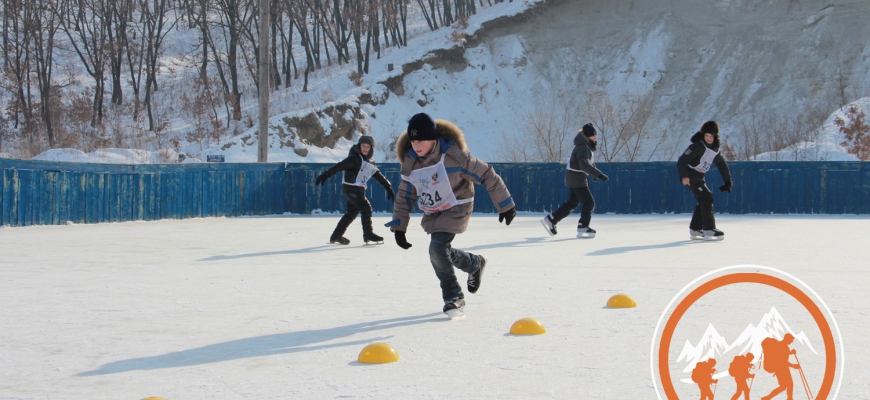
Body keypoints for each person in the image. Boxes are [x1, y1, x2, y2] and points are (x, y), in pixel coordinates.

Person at [386, 113, 516, 318]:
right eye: (413, 141)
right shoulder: (412, 163)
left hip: (457, 207)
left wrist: (505, 205)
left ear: (433, 139)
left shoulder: (454, 157)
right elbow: (404, 196)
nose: (416, 145)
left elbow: (486, 174)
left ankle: (454, 297)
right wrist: (399, 227)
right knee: (441, 250)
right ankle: (474, 264)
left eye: (421, 140)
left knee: (436, 249)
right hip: (434, 211)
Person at [315, 135, 395, 245]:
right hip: (351, 189)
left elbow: (377, 175)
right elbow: (340, 166)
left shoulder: (369, 161)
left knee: (351, 213)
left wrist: (388, 187)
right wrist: (326, 174)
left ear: (371, 148)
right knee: (366, 208)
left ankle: (336, 236)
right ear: (359, 146)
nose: (365, 148)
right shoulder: (354, 158)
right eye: (363, 146)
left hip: (357, 189)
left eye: (368, 146)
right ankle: (368, 234)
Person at [540, 123, 608, 238]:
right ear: (587, 136)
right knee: (589, 203)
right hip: (578, 180)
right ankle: (583, 226)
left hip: (574, 178)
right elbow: (584, 165)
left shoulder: (583, 146)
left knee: (572, 203)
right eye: (593, 135)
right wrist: (599, 175)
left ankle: (552, 219)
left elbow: (589, 163)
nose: (595, 137)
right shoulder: (582, 147)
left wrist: (595, 174)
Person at [676, 121, 732, 241]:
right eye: (706, 135)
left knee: (703, 200)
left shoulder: (715, 150)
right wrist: (684, 176)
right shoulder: (697, 146)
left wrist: (727, 181)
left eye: (711, 136)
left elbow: (722, 165)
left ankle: (695, 229)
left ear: (715, 136)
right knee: (707, 198)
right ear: (703, 135)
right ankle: (708, 229)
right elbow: (682, 160)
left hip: (699, 177)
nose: (709, 138)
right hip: (691, 176)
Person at [761, 334, 800, 400]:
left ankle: (768, 398)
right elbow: (782, 360)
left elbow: (782, 356)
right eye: (791, 340)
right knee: (788, 385)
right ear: (787, 339)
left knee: (784, 386)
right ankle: (789, 398)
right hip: (781, 369)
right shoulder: (783, 347)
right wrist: (793, 366)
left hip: (780, 368)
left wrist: (790, 352)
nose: (791, 342)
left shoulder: (780, 345)